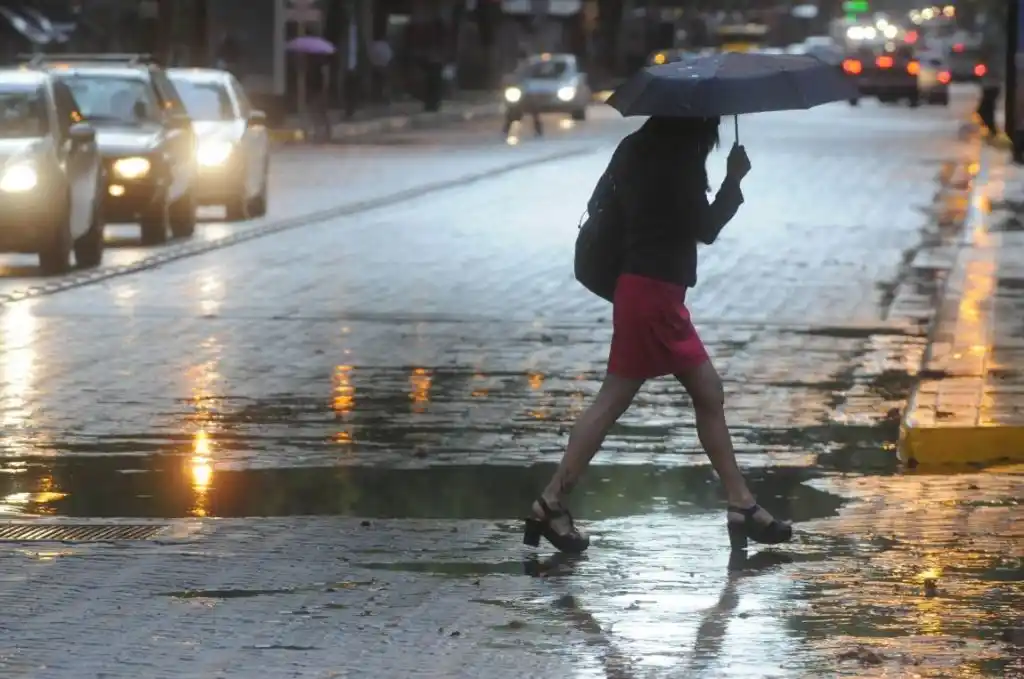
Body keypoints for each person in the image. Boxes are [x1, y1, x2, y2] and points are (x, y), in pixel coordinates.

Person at [523, 116, 793, 554]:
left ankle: (740, 503)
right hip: (655, 295)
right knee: (645, 397)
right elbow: (704, 227)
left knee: (700, 393)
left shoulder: (637, 147)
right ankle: (552, 500)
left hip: (641, 289)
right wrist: (733, 182)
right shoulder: (678, 158)